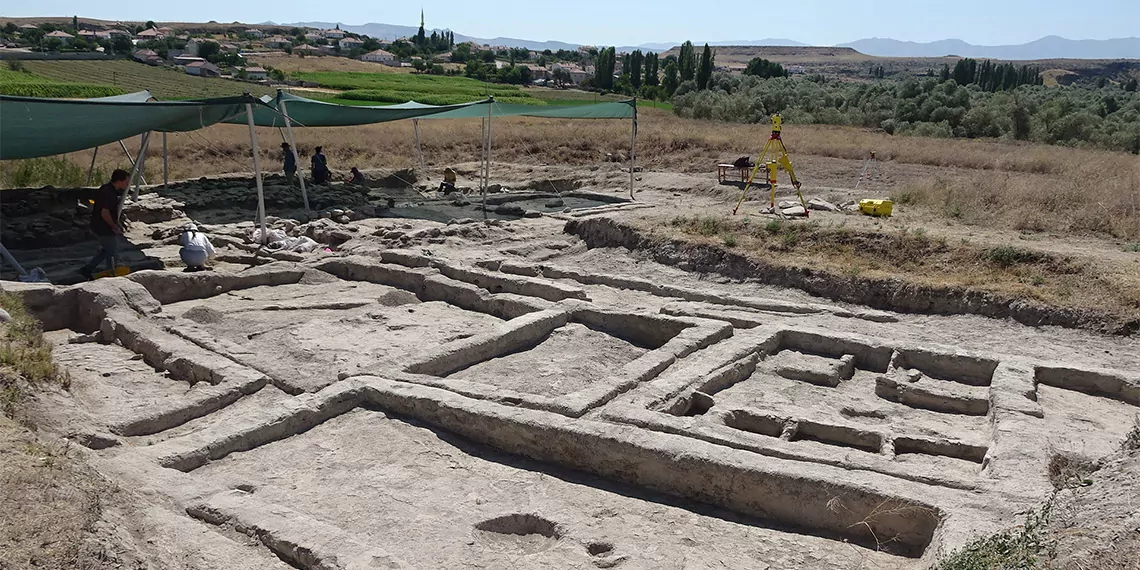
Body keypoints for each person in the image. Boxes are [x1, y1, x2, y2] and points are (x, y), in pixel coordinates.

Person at [79, 169, 130, 280]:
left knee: (107, 250)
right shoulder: (109, 193)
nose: (127, 184)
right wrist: (113, 226)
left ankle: (91, 269)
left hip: (98, 225)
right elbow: (105, 212)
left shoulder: (106, 188)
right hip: (103, 226)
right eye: (126, 181)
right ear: (119, 181)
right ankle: (109, 272)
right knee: (112, 250)